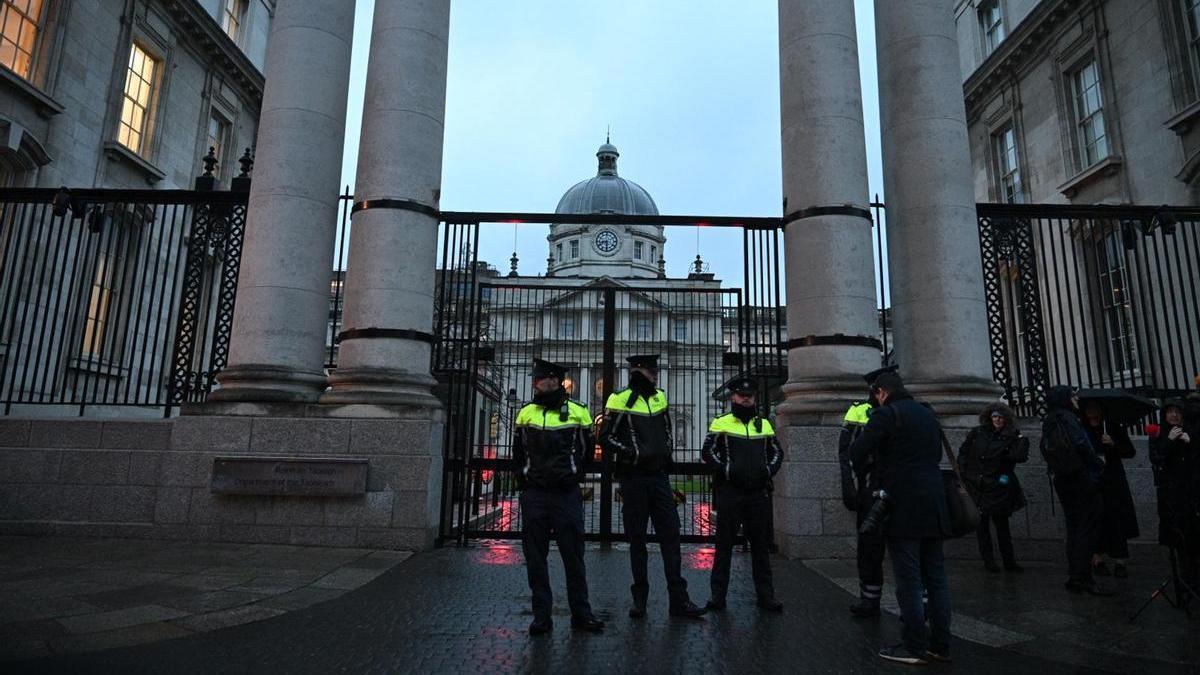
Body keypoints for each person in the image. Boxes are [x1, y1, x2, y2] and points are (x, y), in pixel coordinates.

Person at [849, 372, 952, 666]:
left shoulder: (886, 415)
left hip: (902, 503)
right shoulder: (927, 413)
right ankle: (940, 645)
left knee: (908, 579)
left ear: (881, 392)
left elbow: (857, 452)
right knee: (936, 578)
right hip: (934, 502)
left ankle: (914, 646)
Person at [598, 354, 706, 619]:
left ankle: (679, 600)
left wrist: (665, 452)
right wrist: (634, 454)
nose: (655, 373)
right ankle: (640, 599)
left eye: (655, 369)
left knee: (671, 536)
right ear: (638, 371)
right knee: (637, 540)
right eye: (651, 370)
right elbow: (605, 437)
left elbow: (667, 429)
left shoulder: (659, 397)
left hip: (659, 478)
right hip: (634, 479)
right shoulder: (619, 398)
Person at [511, 359, 605, 636]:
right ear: (535, 383)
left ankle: (581, 612)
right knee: (536, 559)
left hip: (566, 493)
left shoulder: (579, 412)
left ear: (560, 382)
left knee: (573, 557)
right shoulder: (525, 414)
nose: (549, 383)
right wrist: (525, 482)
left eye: (553, 379)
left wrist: (574, 475)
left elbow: (587, 452)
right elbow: (518, 453)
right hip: (536, 494)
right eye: (543, 379)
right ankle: (542, 615)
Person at [701, 374, 784, 612]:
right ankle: (718, 595)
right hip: (730, 492)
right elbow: (709, 452)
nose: (746, 399)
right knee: (724, 545)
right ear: (733, 397)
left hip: (758, 493)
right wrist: (727, 470)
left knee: (761, 547)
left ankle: (766, 596)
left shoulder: (764, 424)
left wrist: (768, 470)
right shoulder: (721, 422)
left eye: (750, 396)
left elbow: (777, 452)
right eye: (741, 395)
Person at [838, 364, 898, 617]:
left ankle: (915, 603)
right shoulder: (858, 411)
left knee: (903, 548)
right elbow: (846, 453)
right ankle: (870, 597)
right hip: (869, 487)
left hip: (896, 487)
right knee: (869, 548)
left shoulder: (899, 411)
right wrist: (849, 486)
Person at [1040, 385, 1110, 596]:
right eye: (1073, 396)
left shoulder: (1049, 420)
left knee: (1074, 527)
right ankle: (1084, 578)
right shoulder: (1068, 417)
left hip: (1062, 477)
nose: (1076, 399)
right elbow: (1080, 443)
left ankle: (1075, 575)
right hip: (1080, 476)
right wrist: (1098, 462)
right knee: (1087, 527)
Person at [958, 402, 1029, 573]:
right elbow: (964, 453)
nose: (997, 420)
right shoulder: (978, 433)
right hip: (978, 485)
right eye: (995, 417)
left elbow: (1017, 458)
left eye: (1000, 417)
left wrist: (1022, 442)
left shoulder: (1011, 436)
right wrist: (966, 474)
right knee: (982, 527)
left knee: (1002, 526)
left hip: (998, 486)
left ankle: (1008, 560)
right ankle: (989, 560)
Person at [1080, 401, 1139, 579]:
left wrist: (1113, 443)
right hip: (1092, 479)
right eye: (1088, 408)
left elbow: (1129, 451)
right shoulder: (1081, 429)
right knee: (1097, 518)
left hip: (1113, 478)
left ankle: (1121, 561)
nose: (1092, 411)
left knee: (1117, 517)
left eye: (1095, 407)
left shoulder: (1112, 427)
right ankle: (1097, 558)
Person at [1149, 398, 1199, 603]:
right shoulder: (1158, 434)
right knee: (1179, 540)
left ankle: (1194, 579)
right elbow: (1157, 459)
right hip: (1171, 496)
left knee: (1194, 537)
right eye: (1170, 412)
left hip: (1191, 493)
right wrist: (1169, 441)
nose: (1174, 415)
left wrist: (1191, 444)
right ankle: (1185, 580)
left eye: (1177, 412)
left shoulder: (1190, 433)